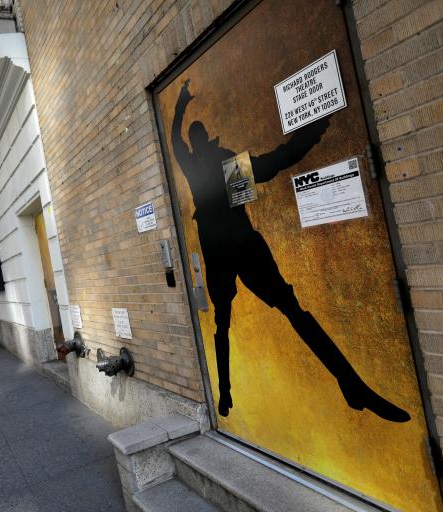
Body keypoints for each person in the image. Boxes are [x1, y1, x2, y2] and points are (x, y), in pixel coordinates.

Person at [171, 79, 409, 423]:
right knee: (274, 313)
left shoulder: (202, 166)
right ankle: (229, 390)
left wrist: (180, 105)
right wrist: (313, 130)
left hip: (227, 249)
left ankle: (227, 391)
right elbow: (276, 162)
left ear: (198, 145)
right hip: (238, 246)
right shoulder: (220, 162)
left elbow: (183, 143)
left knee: (231, 321)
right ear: (206, 141)